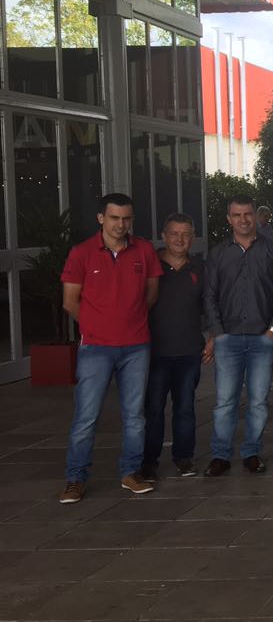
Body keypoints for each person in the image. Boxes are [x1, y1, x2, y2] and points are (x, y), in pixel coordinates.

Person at [58, 193, 162, 503]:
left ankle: (131, 473)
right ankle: (75, 479)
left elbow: (151, 295)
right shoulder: (82, 253)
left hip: (136, 346)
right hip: (96, 348)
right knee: (86, 416)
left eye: (126, 218)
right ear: (101, 218)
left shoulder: (144, 250)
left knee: (134, 416)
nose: (120, 224)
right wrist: (97, 326)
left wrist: (129, 322)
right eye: (114, 217)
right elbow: (70, 301)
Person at [205, 194, 273, 477]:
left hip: (262, 338)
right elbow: (209, 295)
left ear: (255, 216)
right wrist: (218, 333)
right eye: (237, 215)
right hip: (228, 339)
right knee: (225, 402)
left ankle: (252, 452)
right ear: (229, 219)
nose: (243, 219)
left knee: (258, 401)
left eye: (248, 214)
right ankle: (220, 455)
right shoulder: (218, 253)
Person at [141, 213, 212, 481]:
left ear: (192, 238)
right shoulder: (150, 266)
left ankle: (184, 457)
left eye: (186, 234)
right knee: (153, 409)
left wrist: (213, 337)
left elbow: (210, 305)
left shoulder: (200, 268)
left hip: (189, 351)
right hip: (155, 352)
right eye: (174, 233)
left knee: (185, 408)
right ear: (164, 236)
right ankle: (149, 461)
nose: (180, 239)